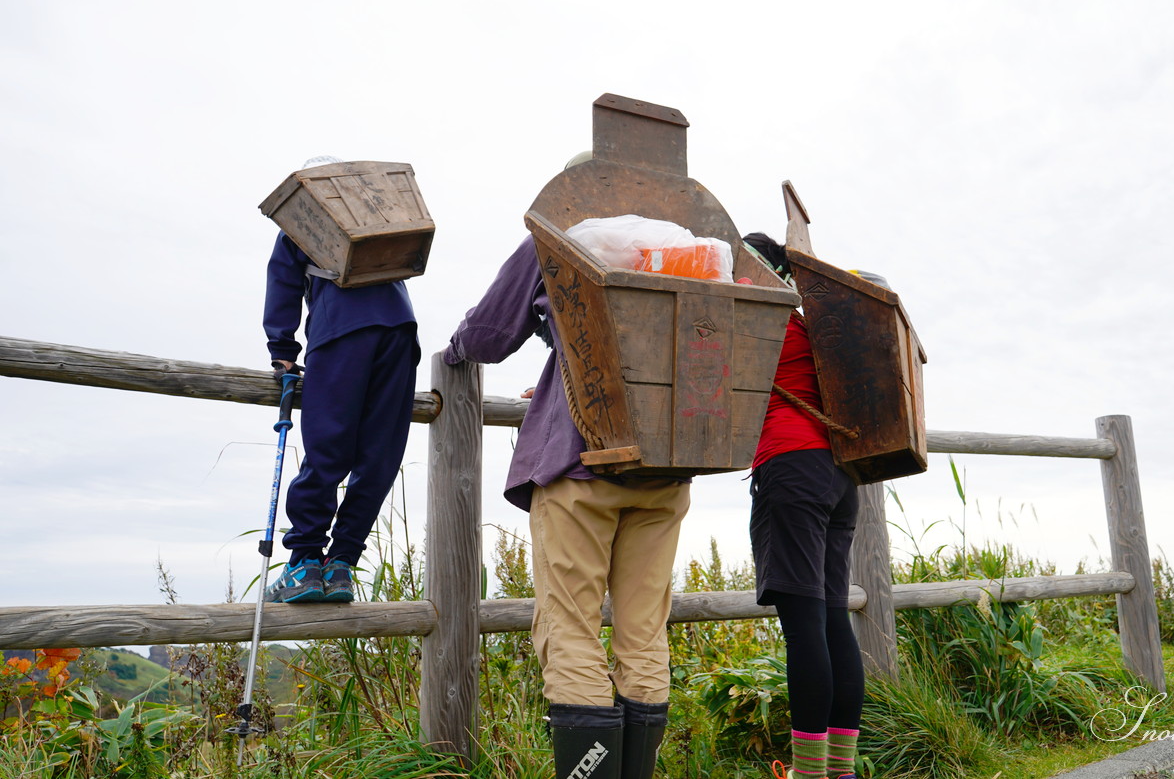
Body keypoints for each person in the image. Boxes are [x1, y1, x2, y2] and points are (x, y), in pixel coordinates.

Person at [442, 193, 690, 779]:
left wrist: (454, 351)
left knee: (569, 626)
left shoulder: (558, 242)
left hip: (582, 463)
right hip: (667, 467)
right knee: (643, 632)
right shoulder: (682, 252)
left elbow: (486, 335)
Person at [261, 156, 420, 604]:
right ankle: (343, 564)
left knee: (328, 449)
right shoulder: (377, 211)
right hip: (399, 330)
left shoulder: (302, 221)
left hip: (341, 333)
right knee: (378, 456)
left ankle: (306, 563)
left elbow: (283, 283)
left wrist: (282, 351)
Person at [743, 232, 866, 779]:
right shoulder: (811, 320)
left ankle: (810, 773)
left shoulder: (756, 318)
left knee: (805, 627)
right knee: (833, 618)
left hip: (792, 468)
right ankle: (840, 770)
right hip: (841, 476)